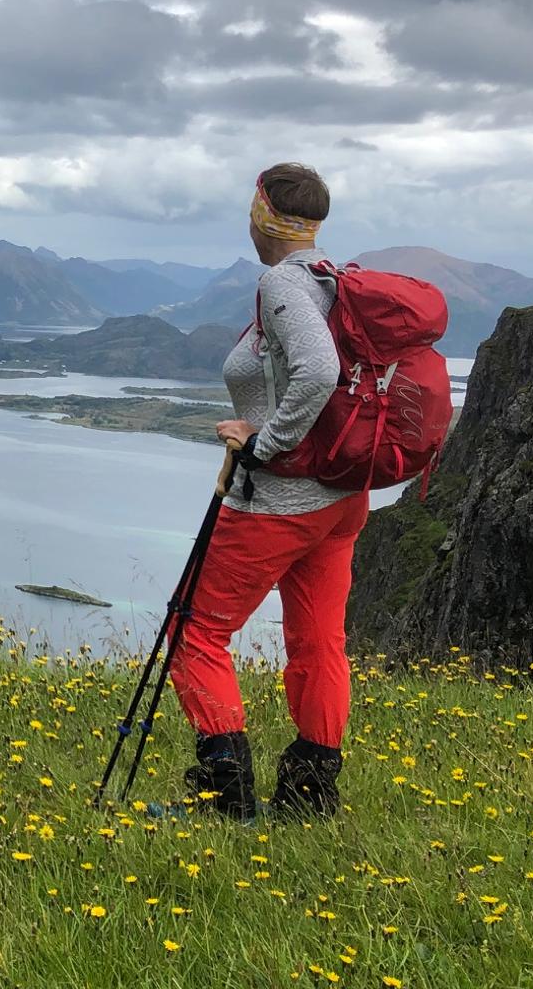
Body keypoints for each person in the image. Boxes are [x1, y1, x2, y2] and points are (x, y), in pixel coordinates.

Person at [168, 163, 366, 820]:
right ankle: (310, 796)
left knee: (194, 632)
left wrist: (265, 443)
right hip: (338, 500)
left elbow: (317, 371)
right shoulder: (330, 280)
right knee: (318, 641)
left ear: (262, 217)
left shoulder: (283, 281)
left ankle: (227, 798)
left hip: (281, 502)